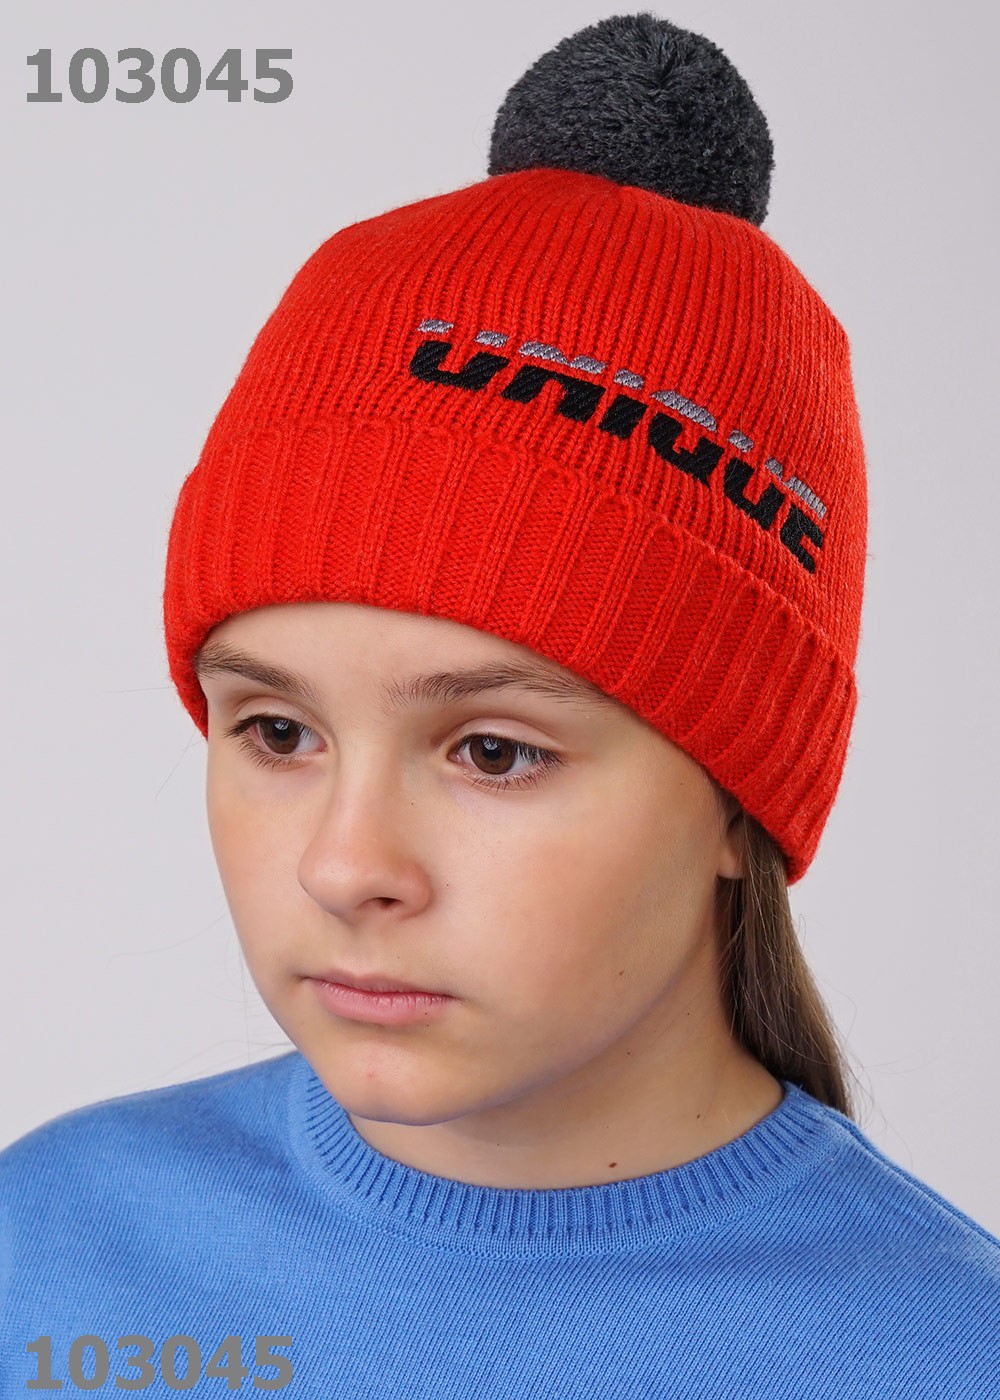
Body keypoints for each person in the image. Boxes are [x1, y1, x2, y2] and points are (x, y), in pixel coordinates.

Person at [2, 12, 998, 1397]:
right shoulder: (46, 1244)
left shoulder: (941, 1358)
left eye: (492, 750)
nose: (345, 866)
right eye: (278, 733)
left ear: (738, 798)